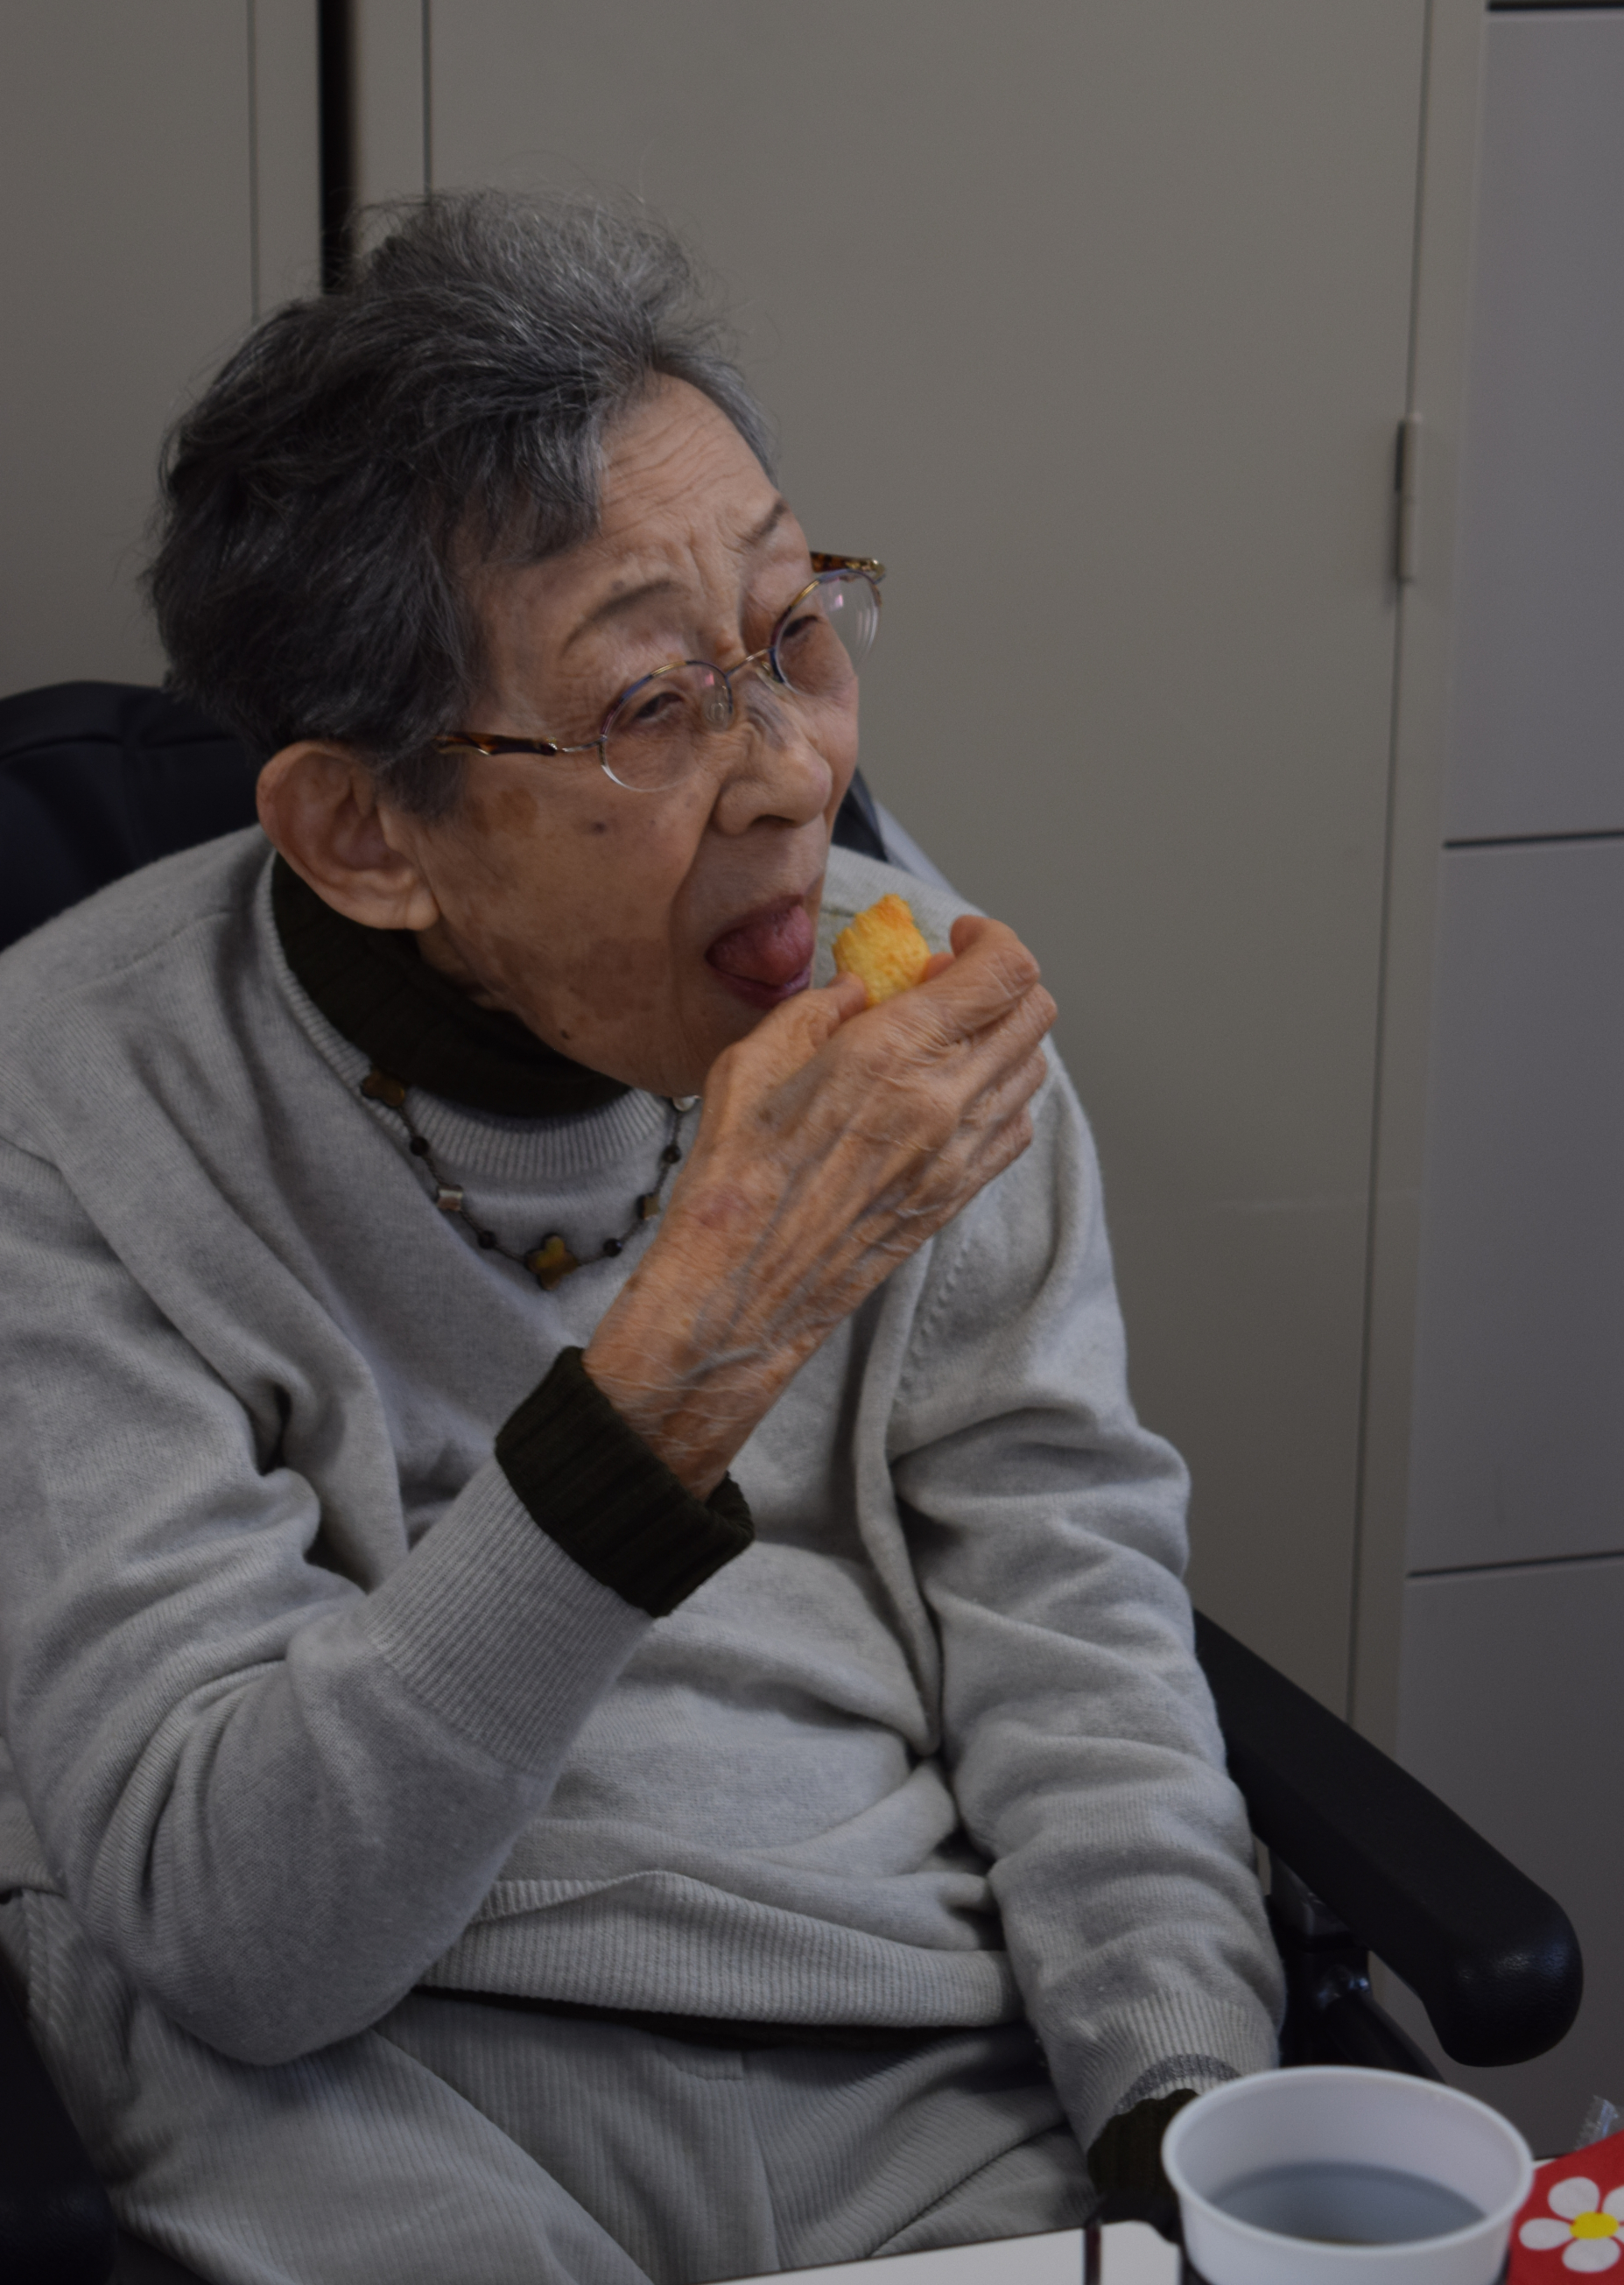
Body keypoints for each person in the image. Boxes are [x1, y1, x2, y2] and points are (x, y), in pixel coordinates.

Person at [0, 193, 1281, 2285]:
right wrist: (696, 1347)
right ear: (365, 831)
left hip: (911, 2046)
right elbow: (237, 1934)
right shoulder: (67, 1104)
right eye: (653, 706)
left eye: (795, 632)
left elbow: (1072, 1615)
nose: (794, 777)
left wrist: (1174, 2101)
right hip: (353, 2097)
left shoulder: (920, 1021)